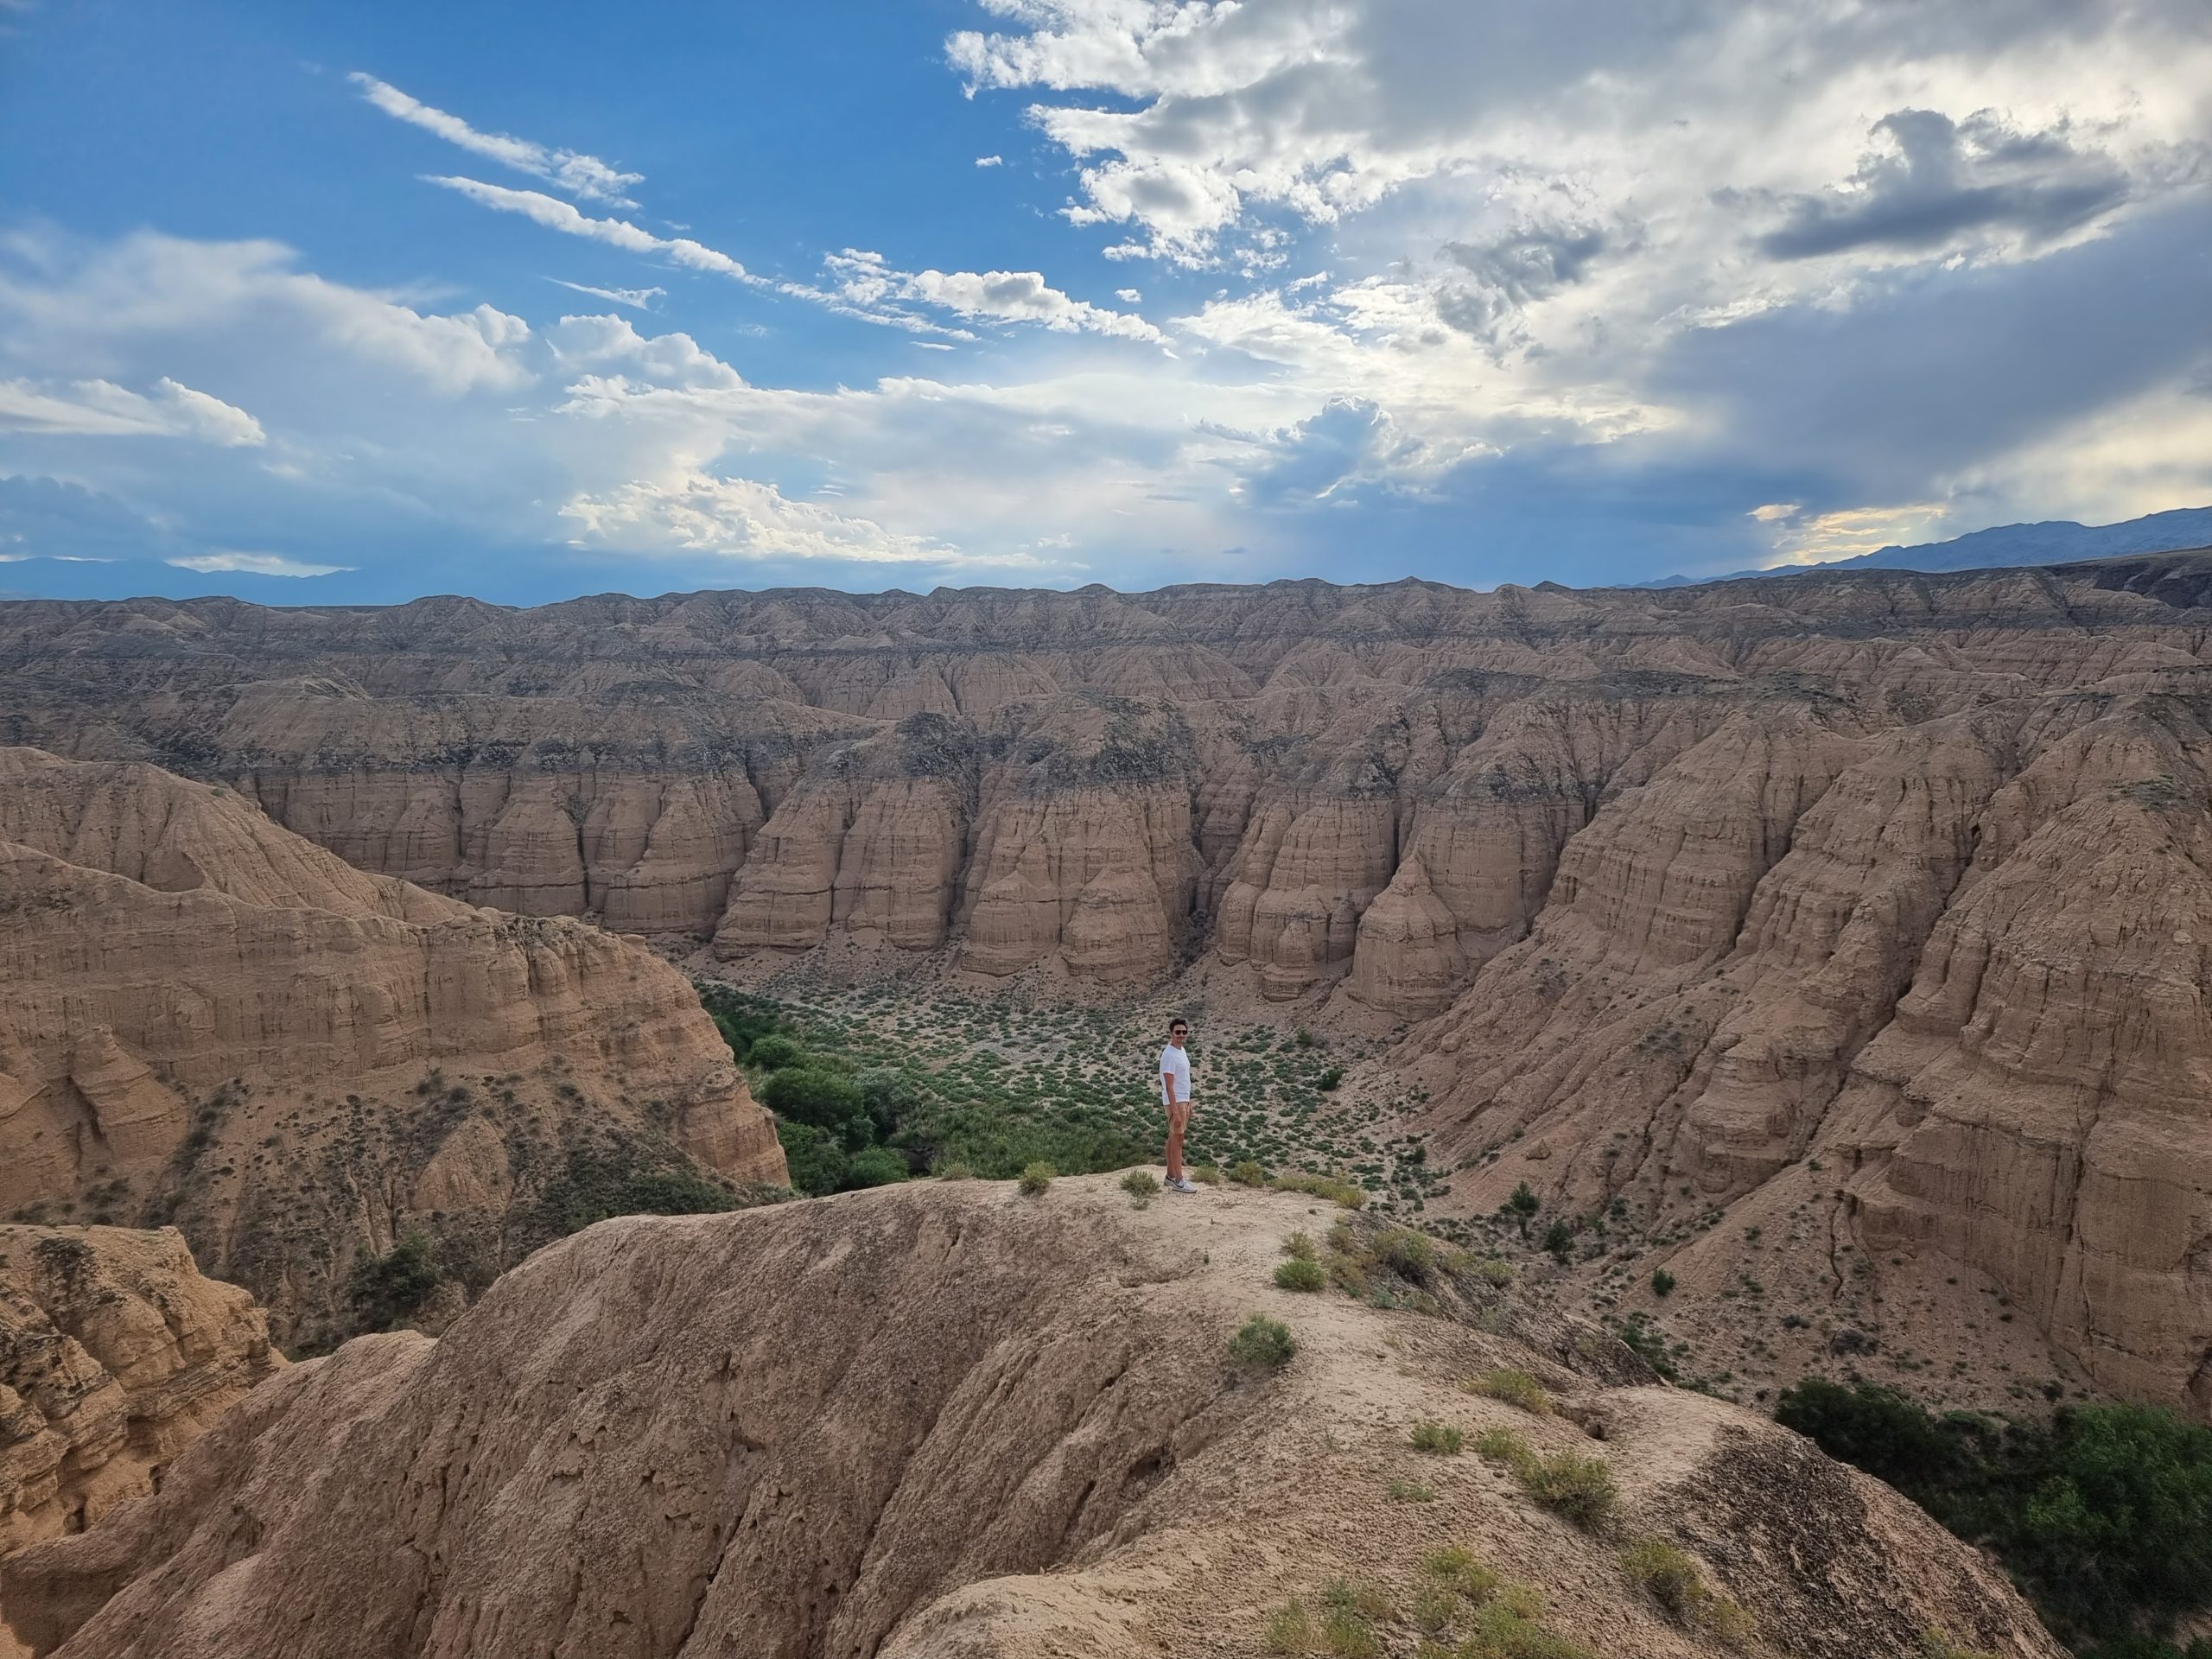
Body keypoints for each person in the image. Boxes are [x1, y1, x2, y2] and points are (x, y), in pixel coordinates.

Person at [1159, 1017, 1197, 1193]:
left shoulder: (1181, 1051)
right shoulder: (1169, 1055)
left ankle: (1170, 1176)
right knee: (1178, 1140)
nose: (1181, 1035)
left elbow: (1184, 1079)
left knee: (1173, 1138)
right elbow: (1169, 1085)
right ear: (1171, 1034)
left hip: (1183, 1100)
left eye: (1184, 1032)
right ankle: (1179, 1181)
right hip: (1176, 1102)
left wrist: (1189, 1103)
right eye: (1178, 1032)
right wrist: (1176, 1111)